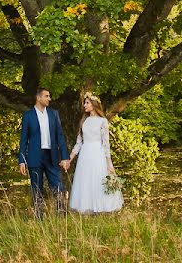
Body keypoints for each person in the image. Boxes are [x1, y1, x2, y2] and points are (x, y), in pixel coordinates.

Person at [17, 87, 71, 218]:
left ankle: (62, 216)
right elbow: (23, 140)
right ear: (38, 98)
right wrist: (21, 160)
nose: (49, 99)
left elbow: (60, 136)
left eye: (49, 96)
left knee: (58, 186)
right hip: (35, 157)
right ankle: (39, 217)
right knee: (36, 188)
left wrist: (65, 157)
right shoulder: (28, 116)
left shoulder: (54, 114)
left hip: (51, 156)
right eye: (46, 96)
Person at [68, 92, 124, 214]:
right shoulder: (84, 122)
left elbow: (106, 144)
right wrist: (70, 158)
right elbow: (78, 143)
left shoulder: (103, 121)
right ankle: (87, 208)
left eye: (87, 103)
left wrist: (109, 163)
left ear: (94, 104)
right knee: (86, 181)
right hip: (85, 155)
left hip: (97, 154)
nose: (84, 105)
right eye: (84, 103)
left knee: (98, 180)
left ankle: (100, 207)